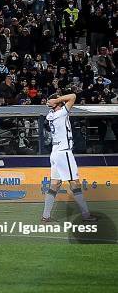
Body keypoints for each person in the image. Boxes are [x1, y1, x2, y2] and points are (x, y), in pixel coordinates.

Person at [42, 93, 97, 222]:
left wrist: (55, 100)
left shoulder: (50, 115)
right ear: (58, 103)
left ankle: (45, 216)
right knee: (75, 183)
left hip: (55, 152)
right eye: (60, 99)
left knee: (54, 184)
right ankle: (86, 215)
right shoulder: (61, 113)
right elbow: (73, 96)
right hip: (64, 152)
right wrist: (57, 99)